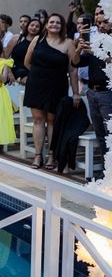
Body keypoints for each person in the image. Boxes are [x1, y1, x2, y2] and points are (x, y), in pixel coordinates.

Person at [23, 13, 79, 169]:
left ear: (62, 26)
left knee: (52, 120)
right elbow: (27, 62)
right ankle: (38, 155)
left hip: (57, 85)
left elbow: (73, 70)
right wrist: (39, 74)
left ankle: (51, 155)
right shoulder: (37, 40)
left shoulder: (68, 43)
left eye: (58, 22)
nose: (54, 24)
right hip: (37, 84)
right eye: (51, 22)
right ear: (46, 25)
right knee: (38, 120)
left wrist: (75, 92)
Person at [72, 17, 112, 158]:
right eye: (99, 23)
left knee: (110, 133)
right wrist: (78, 50)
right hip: (92, 92)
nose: (100, 26)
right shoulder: (96, 42)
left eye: (105, 22)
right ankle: (105, 170)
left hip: (108, 93)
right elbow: (76, 62)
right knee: (100, 133)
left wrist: (95, 52)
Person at [4, 17, 42, 83]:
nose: (34, 28)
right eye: (32, 25)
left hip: (29, 73)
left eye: (37, 26)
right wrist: (9, 72)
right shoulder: (17, 38)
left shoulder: (41, 42)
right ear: (28, 26)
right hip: (12, 71)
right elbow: (5, 57)